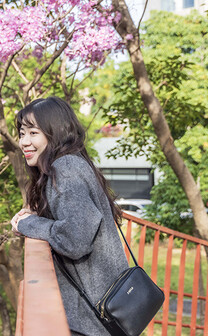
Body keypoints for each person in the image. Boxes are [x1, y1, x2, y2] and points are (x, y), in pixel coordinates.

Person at [10, 96, 128, 336]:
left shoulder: (65, 169)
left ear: (55, 133)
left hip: (94, 319)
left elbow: (75, 241)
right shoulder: (71, 165)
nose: (24, 142)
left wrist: (28, 223)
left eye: (34, 133)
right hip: (99, 312)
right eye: (22, 133)